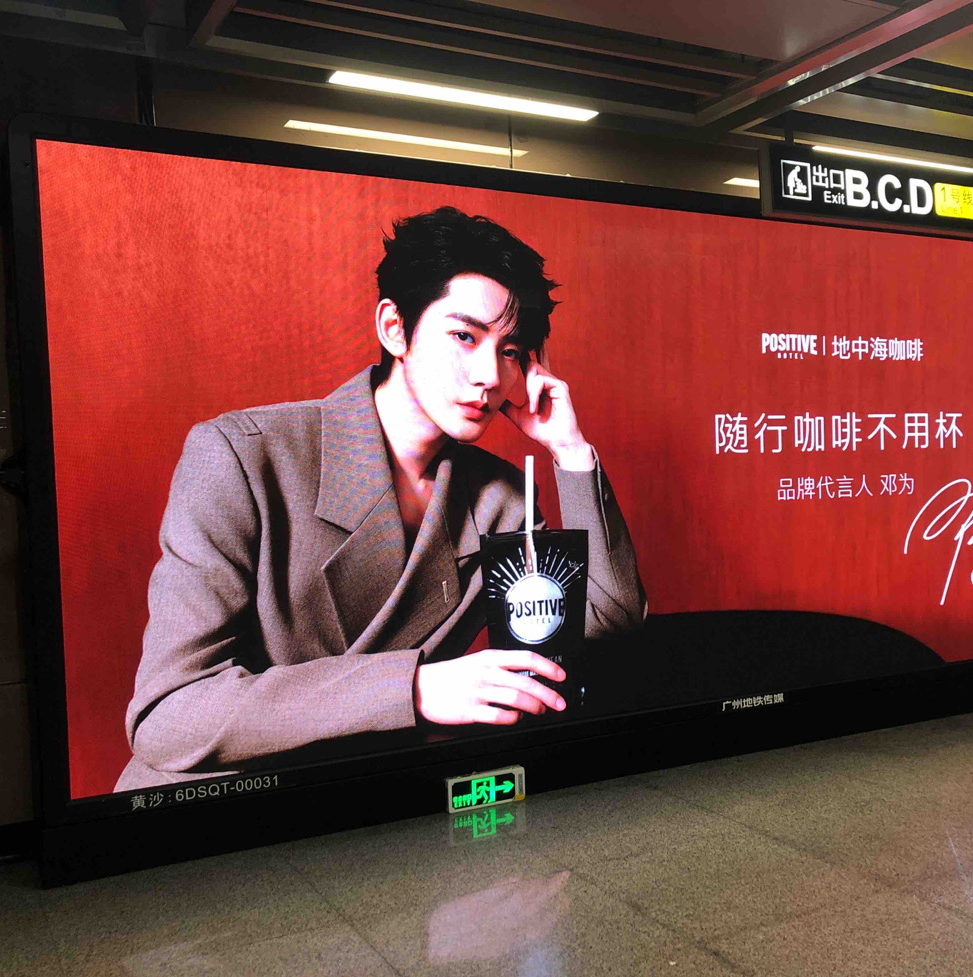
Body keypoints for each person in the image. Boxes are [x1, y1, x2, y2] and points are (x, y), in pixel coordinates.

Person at [115, 207, 646, 793]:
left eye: (511, 352)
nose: (490, 376)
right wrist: (412, 688)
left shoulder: (499, 498)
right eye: (464, 337)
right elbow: (168, 715)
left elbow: (608, 618)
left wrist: (570, 450)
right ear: (394, 328)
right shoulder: (242, 457)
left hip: (372, 804)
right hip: (215, 805)